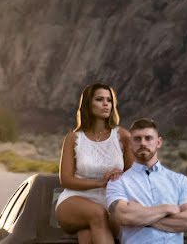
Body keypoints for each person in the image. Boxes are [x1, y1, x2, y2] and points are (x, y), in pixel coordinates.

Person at [56, 83, 133, 244]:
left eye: (109, 100)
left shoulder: (123, 136)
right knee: (97, 213)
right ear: (88, 104)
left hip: (110, 201)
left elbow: (134, 176)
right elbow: (66, 180)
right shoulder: (73, 138)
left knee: (87, 235)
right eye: (99, 99)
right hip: (74, 200)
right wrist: (100, 182)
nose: (106, 104)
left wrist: (119, 177)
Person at [107, 118, 187, 244]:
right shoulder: (117, 181)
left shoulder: (180, 181)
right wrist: (166, 209)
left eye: (148, 138)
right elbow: (123, 216)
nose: (143, 143)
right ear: (130, 143)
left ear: (159, 142)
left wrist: (139, 217)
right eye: (137, 139)